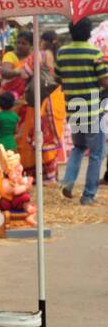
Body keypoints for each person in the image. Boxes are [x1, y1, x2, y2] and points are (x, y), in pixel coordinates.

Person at [55, 17, 108, 205]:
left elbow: (58, 79)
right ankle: (88, 195)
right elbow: (104, 82)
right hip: (93, 108)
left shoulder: (62, 53)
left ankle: (68, 183)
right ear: (88, 32)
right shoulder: (94, 53)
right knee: (96, 153)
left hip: (74, 107)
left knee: (78, 148)